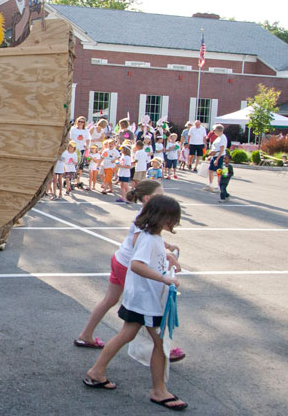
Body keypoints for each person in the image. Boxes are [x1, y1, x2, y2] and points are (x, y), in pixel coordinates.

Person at [84, 195, 187, 411]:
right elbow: (137, 264)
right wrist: (164, 278)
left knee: (127, 335)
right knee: (158, 343)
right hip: (145, 301)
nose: (175, 223)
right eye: (173, 218)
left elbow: (150, 258)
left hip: (142, 299)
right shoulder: (149, 239)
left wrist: (168, 258)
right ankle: (158, 391)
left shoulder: (153, 236)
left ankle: (97, 372)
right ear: (162, 217)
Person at [203, 124, 228, 192]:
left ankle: (219, 187)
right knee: (211, 170)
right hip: (214, 156)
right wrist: (210, 156)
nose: (213, 132)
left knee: (218, 172)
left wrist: (217, 159)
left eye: (214, 130)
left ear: (218, 130)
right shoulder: (219, 137)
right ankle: (210, 185)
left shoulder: (222, 138)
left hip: (219, 157)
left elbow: (222, 149)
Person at [69, 117, 90, 187]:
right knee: (72, 164)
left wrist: (87, 145)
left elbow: (88, 139)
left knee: (80, 165)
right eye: (79, 121)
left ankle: (77, 180)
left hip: (81, 149)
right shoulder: (73, 129)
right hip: (74, 149)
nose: (80, 123)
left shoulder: (86, 130)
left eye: (82, 122)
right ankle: (68, 179)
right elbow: (70, 138)